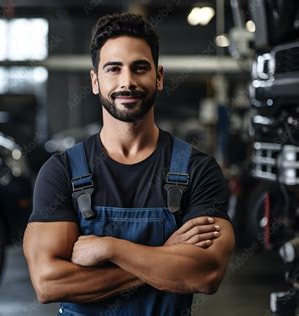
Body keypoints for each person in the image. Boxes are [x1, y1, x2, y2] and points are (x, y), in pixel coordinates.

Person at [23, 12, 234, 316]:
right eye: (113, 69)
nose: (127, 82)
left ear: (158, 77)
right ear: (95, 81)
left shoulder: (197, 170)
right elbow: (49, 283)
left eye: (139, 68)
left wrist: (111, 248)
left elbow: (206, 274)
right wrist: (165, 257)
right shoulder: (62, 172)